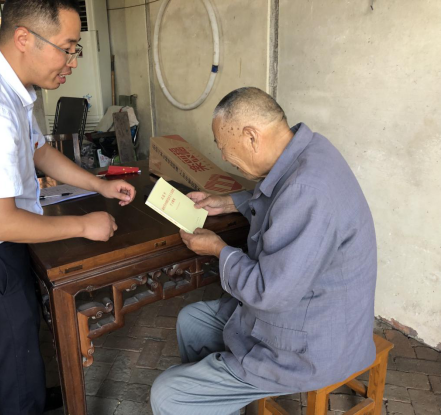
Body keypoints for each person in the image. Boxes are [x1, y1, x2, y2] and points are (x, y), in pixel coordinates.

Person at [0, 0, 136, 413]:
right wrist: (84, 225)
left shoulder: (9, 87)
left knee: (22, 340)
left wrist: (99, 184)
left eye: (75, 49)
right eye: (67, 48)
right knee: (15, 354)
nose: (72, 61)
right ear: (24, 38)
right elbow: (1, 223)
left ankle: (33, 399)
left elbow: (39, 150)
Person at [150, 87, 377, 415]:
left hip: (309, 344)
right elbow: (279, 197)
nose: (224, 157)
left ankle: (209, 394)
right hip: (303, 308)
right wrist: (227, 202)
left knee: (168, 395)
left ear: (251, 137)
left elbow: (269, 292)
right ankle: (220, 403)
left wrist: (218, 249)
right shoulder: (310, 151)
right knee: (192, 321)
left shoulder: (307, 191)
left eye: (223, 147)